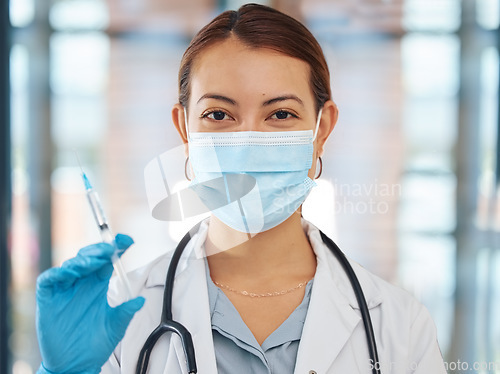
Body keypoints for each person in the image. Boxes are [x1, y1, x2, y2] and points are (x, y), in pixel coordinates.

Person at [35, 3, 447, 374]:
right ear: (184, 130)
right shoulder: (122, 314)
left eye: (281, 114)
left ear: (321, 129)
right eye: (219, 114)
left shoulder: (399, 325)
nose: (249, 140)